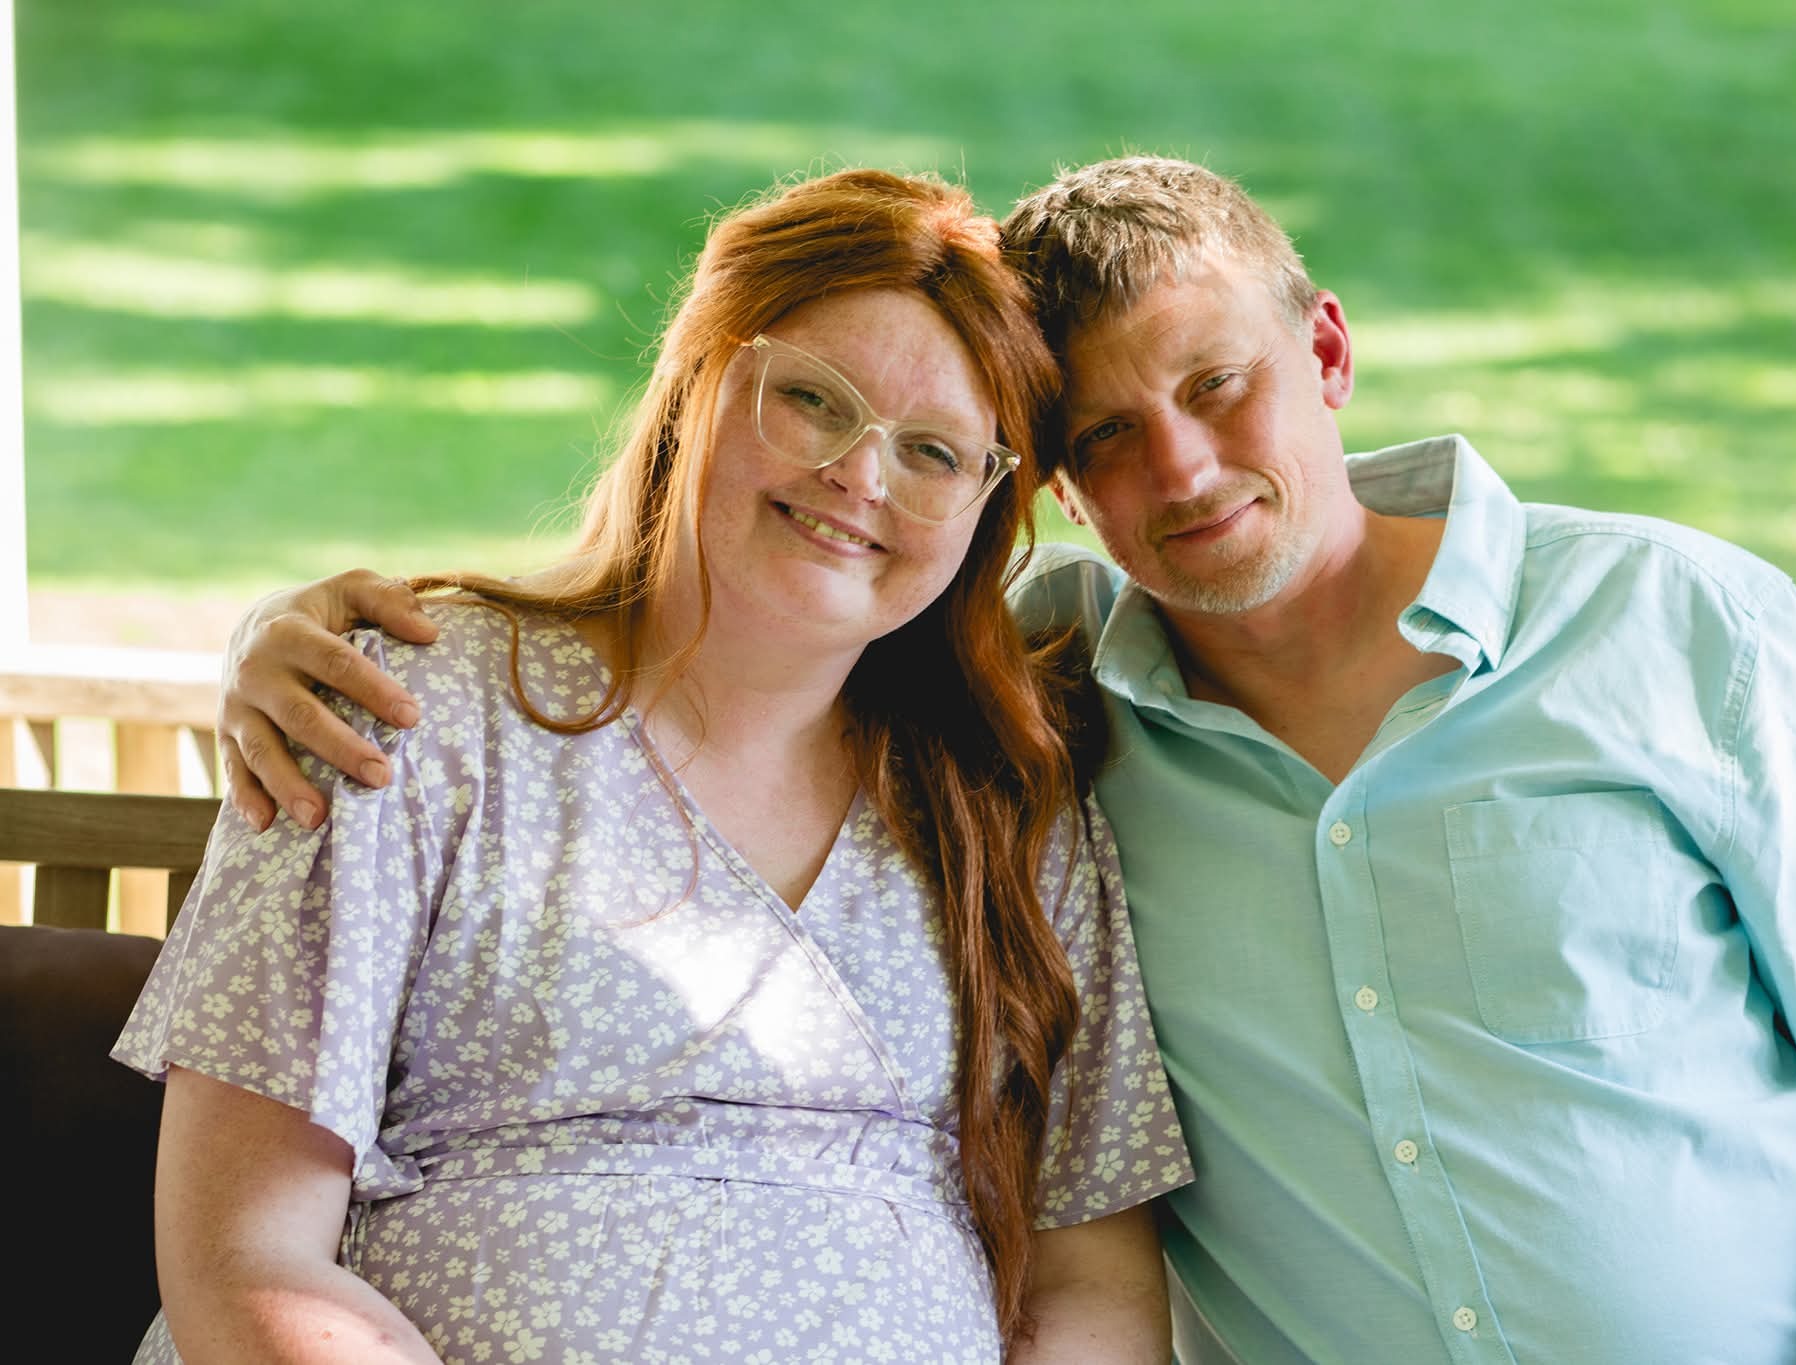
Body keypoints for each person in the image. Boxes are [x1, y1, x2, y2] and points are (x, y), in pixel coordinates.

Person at [216, 157, 1796, 1365]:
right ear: (1060, 491)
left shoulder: (1665, 623)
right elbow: (761, 606)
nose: (1181, 471)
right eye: (1104, 437)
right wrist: (281, 642)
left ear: (1325, 352)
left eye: (1218, 385)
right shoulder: (1045, 709)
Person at [114, 168, 1191, 1365]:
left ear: (987, 510)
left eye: (934, 452)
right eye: (812, 399)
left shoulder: (1007, 803)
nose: (860, 474)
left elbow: (1093, 1288)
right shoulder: (404, 714)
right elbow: (248, 1259)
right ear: (695, 384)